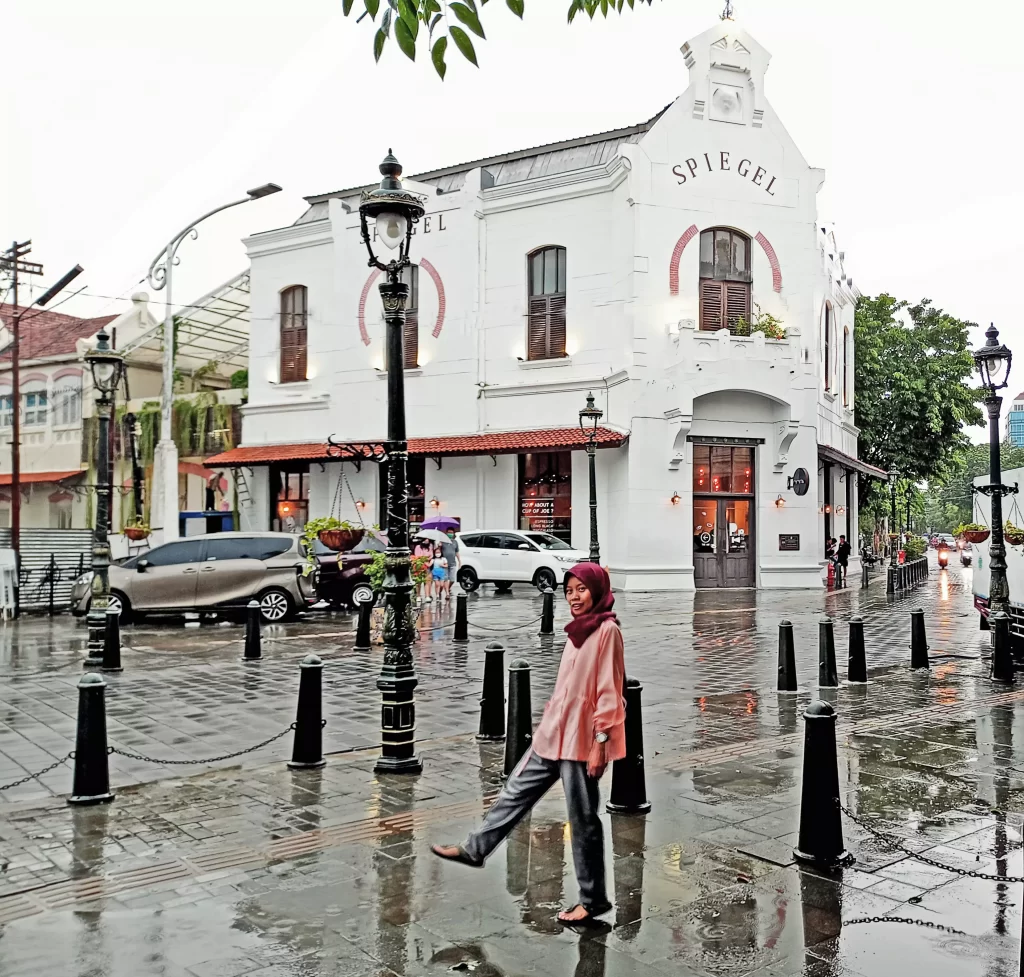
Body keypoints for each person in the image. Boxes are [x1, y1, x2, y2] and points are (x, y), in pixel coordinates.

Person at [431, 562, 625, 925]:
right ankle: (476, 848)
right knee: (515, 791)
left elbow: (610, 692)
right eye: (569, 591)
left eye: (581, 589)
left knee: (583, 819)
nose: (574, 597)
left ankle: (593, 899)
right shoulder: (576, 632)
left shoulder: (606, 631)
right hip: (553, 733)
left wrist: (601, 740)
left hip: (582, 740)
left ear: (597, 590)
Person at [440, 529, 460, 601]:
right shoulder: (443, 542)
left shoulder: (455, 542)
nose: (450, 534)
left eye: (451, 533)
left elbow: (457, 552)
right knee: (445, 579)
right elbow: (438, 551)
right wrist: (439, 545)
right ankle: (447, 593)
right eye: (449, 532)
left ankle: (447, 588)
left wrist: (459, 561)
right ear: (446, 533)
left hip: (453, 563)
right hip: (444, 563)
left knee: (452, 579)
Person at [412, 537, 433, 603]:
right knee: (419, 582)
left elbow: (431, 555)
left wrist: (427, 559)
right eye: (425, 539)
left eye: (428, 539)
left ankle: (427, 596)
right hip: (419, 566)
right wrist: (425, 560)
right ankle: (418, 596)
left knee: (427, 581)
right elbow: (418, 556)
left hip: (428, 566)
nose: (427, 541)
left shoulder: (430, 546)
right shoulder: (418, 547)